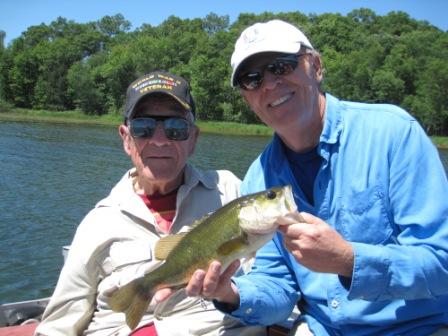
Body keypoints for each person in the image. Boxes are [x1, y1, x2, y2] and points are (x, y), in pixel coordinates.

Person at [180, 20, 448, 335]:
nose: (268, 85)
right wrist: (229, 294)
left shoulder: (394, 135)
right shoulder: (258, 179)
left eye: (280, 67)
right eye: (252, 79)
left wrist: (349, 260)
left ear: (316, 66)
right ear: (246, 98)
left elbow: (441, 263)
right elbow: (277, 287)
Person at [35, 70, 265, 336]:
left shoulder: (232, 192)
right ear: (126, 138)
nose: (159, 140)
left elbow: (276, 280)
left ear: (193, 138)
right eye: (143, 127)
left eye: (176, 128)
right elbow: (58, 325)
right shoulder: (98, 223)